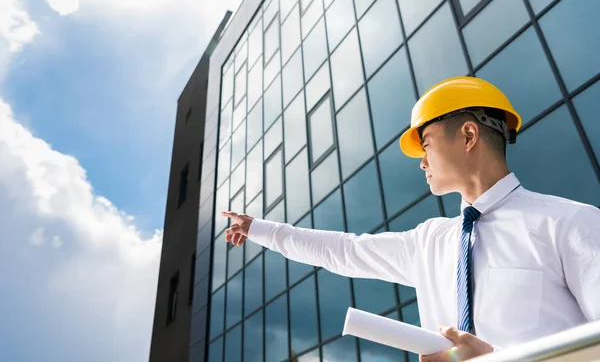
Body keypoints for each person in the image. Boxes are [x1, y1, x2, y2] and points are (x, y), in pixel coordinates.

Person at [222, 76, 600, 361]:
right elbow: (345, 251)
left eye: (427, 143)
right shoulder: (429, 241)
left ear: (468, 135)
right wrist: (260, 229)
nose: (421, 161)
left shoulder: (570, 224)